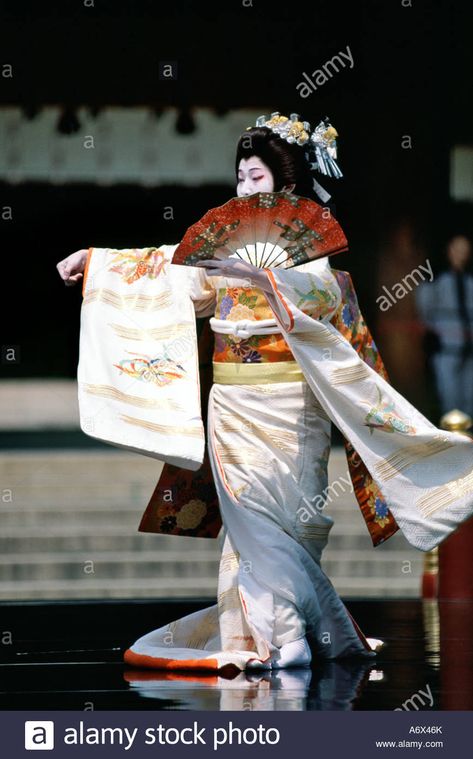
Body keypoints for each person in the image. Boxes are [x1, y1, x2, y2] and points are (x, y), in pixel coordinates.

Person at [57, 113, 473, 675]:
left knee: (293, 524)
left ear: (286, 186)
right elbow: (166, 268)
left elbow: (319, 314)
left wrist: (260, 280)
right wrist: (98, 263)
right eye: (240, 178)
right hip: (231, 406)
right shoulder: (221, 254)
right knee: (247, 522)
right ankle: (267, 637)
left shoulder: (309, 258)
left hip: (291, 410)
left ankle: (292, 633)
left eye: (256, 178)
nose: (245, 189)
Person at [416, 235, 473, 418]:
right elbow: (425, 308)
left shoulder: (469, 280)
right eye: (457, 249)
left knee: (468, 397)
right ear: (449, 251)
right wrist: (435, 332)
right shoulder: (435, 278)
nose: (461, 254)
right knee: (449, 396)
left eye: (465, 250)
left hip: (469, 346)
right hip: (445, 345)